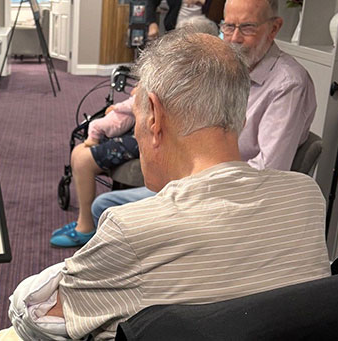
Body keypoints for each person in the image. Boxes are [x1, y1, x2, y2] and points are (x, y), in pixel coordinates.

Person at [0, 31, 330, 341]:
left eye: (138, 115)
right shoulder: (305, 197)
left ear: (153, 116)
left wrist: (58, 272)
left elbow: (35, 314)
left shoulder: (132, 228)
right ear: (240, 117)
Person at [91, 0, 317, 219]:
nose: (235, 39)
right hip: (196, 179)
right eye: (229, 27)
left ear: (274, 28)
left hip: (227, 202)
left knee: (107, 209)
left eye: (247, 28)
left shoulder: (288, 84)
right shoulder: (230, 67)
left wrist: (192, 185)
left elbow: (268, 172)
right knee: (107, 205)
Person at [50, 16, 221, 248]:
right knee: (79, 150)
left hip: (156, 138)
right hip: (140, 130)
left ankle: (86, 226)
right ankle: (85, 220)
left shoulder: (204, 81)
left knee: (82, 159)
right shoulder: (177, 72)